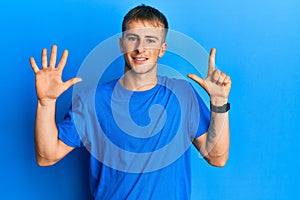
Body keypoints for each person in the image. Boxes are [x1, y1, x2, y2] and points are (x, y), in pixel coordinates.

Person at [29, 4, 231, 200]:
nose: (140, 48)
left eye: (150, 40)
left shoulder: (182, 94)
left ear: (162, 49)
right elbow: (47, 156)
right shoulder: (93, 101)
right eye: (133, 38)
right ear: (121, 44)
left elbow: (217, 157)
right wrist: (46, 103)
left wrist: (219, 102)